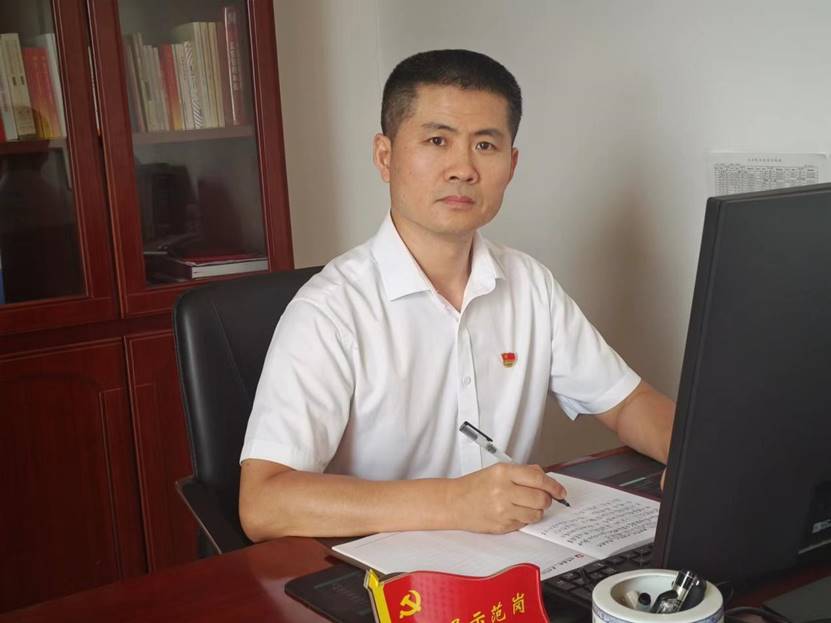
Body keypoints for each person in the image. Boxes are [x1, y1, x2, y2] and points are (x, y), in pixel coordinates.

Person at [239, 49, 675, 541]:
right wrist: (453, 502)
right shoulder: (330, 310)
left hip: (511, 557)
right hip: (378, 572)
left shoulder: (529, 284)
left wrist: (694, 460)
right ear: (385, 156)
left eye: (485, 145)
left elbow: (629, 403)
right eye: (437, 140)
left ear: (511, 164)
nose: (463, 168)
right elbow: (263, 504)